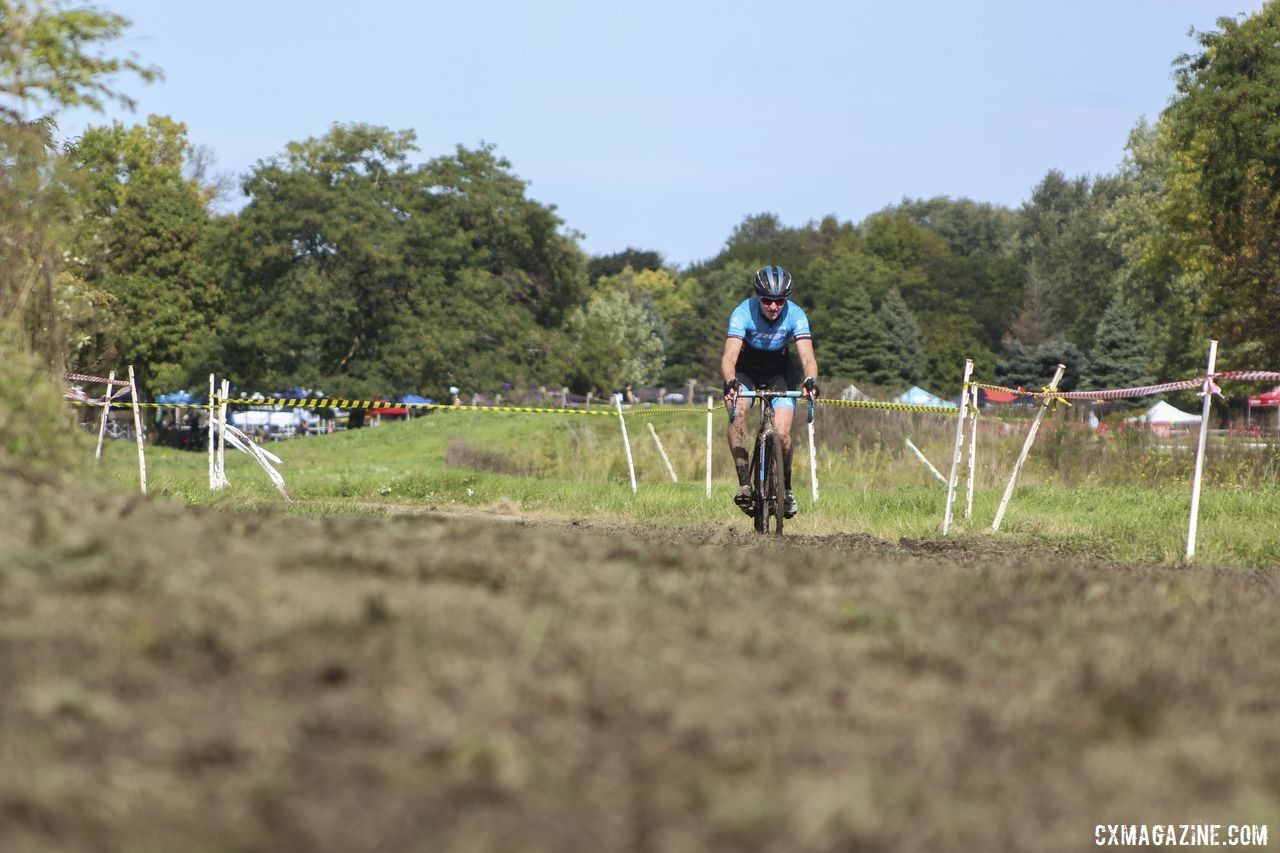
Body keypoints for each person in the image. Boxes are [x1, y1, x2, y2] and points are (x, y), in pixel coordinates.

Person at [721, 265, 820, 518]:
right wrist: (731, 382)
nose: (773, 307)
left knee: (784, 434)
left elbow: (808, 358)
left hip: (779, 374)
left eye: (779, 301)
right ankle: (745, 483)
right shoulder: (743, 312)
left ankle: (786, 490)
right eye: (767, 300)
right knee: (737, 413)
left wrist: (810, 380)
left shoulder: (796, 314)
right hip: (746, 372)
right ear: (758, 297)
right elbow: (729, 357)